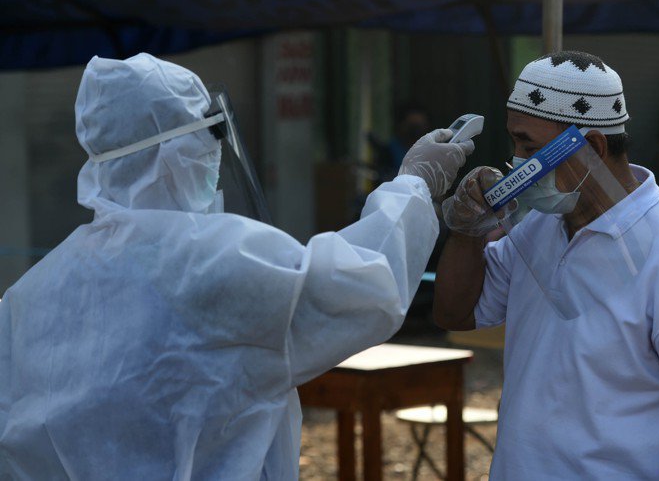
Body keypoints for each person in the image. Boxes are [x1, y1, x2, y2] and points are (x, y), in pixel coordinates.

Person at [0, 53, 473, 479]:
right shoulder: (212, 259)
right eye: (206, 138)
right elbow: (364, 285)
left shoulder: (32, 294)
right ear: (174, 152)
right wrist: (412, 185)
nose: (214, 154)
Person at [435, 51, 659, 479]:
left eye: (529, 147)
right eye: (515, 143)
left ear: (591, 145)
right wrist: (467, 231)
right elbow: (456, 313)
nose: (516, 162)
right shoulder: (538, 227)